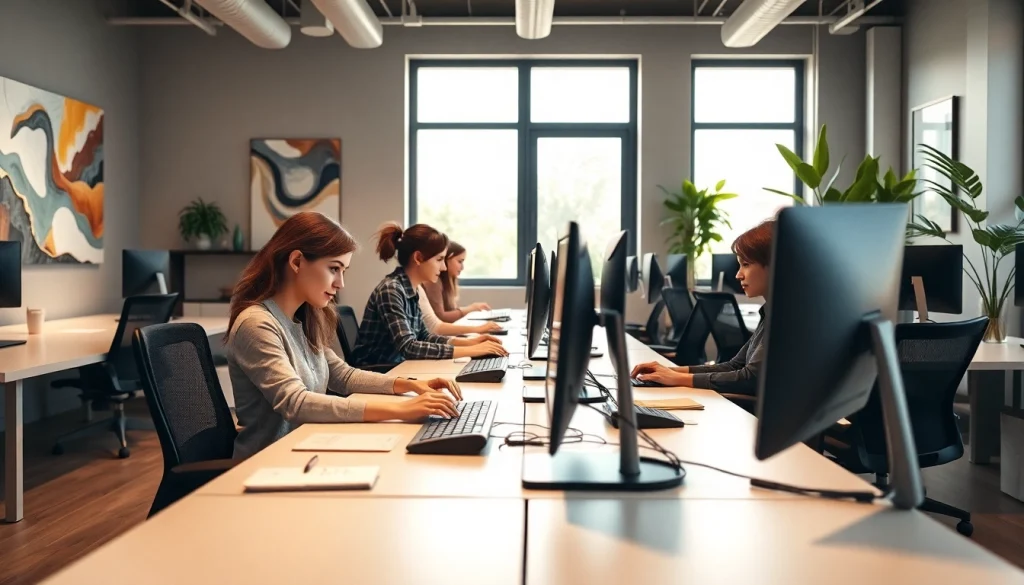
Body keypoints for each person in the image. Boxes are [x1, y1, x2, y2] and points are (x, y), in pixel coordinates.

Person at [225, 211, 463, 460]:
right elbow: (296, 403)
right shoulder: (257, 324)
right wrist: (401, 408)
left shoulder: (305, 317)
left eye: (343, 271)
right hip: (268, 464)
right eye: (334, 269)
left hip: (307, 449)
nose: (341, 283)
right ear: (296, 261)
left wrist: (410, 384)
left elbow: (342, 376)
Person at [630, 219, 774, 396]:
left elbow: (749, 378)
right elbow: (735, 365)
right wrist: (671, 371)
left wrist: (678, 379)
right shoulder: (770, 312)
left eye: (745, 265)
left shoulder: (785, 317)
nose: (738, 275)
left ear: (773, 265)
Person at [349, 222, 508, 367]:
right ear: (418, 258)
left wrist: (471, 343)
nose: (444, 267)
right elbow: (409, 347)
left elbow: (425, 336)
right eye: (439, 259)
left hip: (397, 367)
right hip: (377, 371)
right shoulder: (391, 290)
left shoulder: (412, 289)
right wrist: (472, 351)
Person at [421, 241, 491, 323]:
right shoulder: (433, 282)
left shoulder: (449, 281)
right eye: (459, 261)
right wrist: (469, 310)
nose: (462, 267)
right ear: (447, 259)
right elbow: (440, 317)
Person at [418, 283, 504, 336]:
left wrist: (473, 342)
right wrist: (476, 329)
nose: (443, 267)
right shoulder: (433, 283)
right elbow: (437, 324)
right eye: (439, 259)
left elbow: (435, 327)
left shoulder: (419, 289)